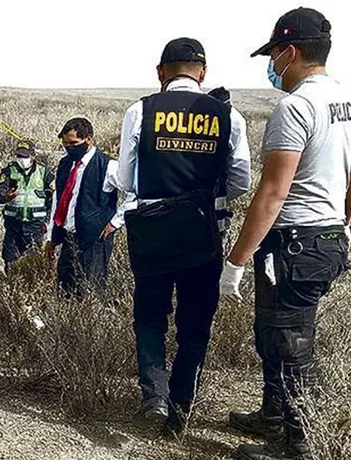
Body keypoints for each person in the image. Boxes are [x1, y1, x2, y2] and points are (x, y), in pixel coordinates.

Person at [219, 8, 351, 460]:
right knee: (279, 335)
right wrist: (341, 224)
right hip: (324, 238)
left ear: (290, 52)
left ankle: (298, 447)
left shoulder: (295, 106)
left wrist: (236, 261)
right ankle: (274, 416)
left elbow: (272, 192)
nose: (271, 66)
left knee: (290, 343)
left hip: (294, 243)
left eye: (273, 56)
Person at [105, 37, 251, 436]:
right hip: (203, 233)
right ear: (203, 73)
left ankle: (154, 394)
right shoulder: (228, 115)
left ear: (160, 72)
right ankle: (180, 411)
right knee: (194, 326)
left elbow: (123, 177)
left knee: (150, 317)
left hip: (152, 230)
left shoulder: (141, 110)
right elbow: (241, 180)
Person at [44, 118, 119, 298]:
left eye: (73, 143)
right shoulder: (65, 164)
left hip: (94, 240)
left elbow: (136, 191)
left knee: (90, 292)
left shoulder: (108, 165)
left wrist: (116, 222)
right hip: (69, 236)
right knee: (64, 290)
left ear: (88, 139)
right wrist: (52, 237)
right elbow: (58, 200)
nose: (69, 148)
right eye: (65, 144)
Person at [0, 140, 55, 272]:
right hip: (13, 224)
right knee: (10, 260)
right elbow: (0, 196)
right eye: (19, 156)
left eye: (25, 156)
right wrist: (7, 197)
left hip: (35, 225)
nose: (21, 159)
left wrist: (47, 222)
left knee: (33, 262)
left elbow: (54, 198)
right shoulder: (9, 171)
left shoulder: (44, 172)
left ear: (33, 155)